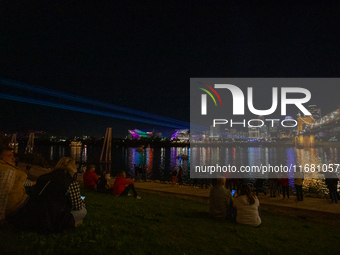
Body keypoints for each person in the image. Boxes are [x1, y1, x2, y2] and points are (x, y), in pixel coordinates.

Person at [0, 147, 34, 226]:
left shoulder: (4, 168)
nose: (13, 158)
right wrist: (1, 218)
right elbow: (2, 194)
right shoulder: (8, 171)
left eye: (13, 155)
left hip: (17, 202)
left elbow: (18, 181)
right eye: (9, 156)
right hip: (17, 206)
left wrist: (32, 183)